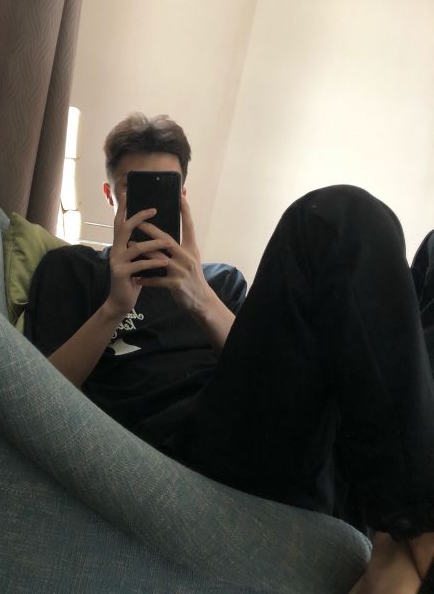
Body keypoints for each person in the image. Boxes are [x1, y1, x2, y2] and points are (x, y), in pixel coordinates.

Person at [24, 113, 434, 593]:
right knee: (332, 217)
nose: (150, 212)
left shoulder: (220, 281)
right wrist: (115, 306)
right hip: (191, 448)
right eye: (136, 195)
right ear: (111, 196)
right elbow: (38, 396)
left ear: (183, 198)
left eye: (165, 194)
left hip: (292, 435)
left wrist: (198, 296)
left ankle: (395, 539)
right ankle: (414, 532)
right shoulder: (71, 269)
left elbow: (275, 376)